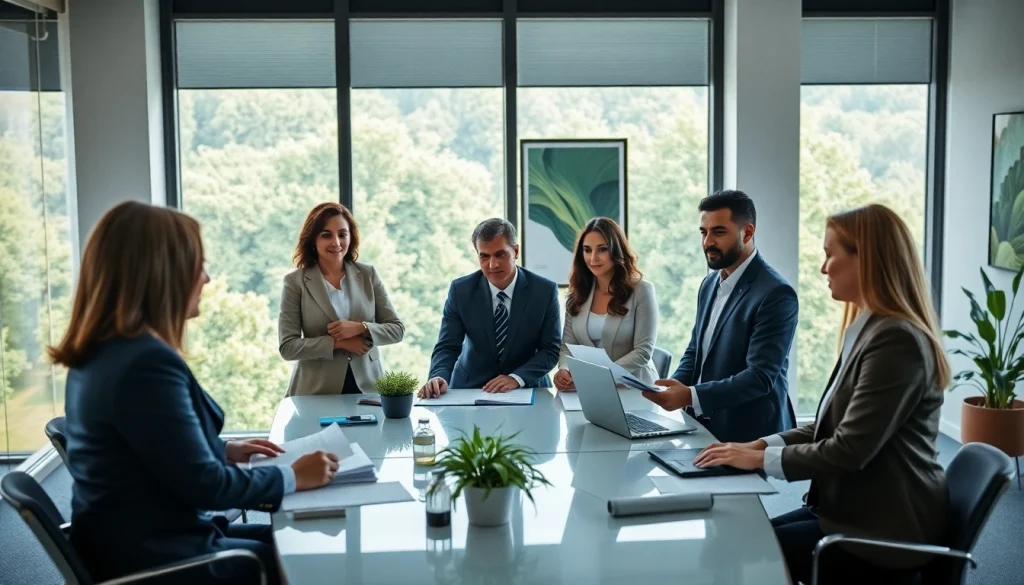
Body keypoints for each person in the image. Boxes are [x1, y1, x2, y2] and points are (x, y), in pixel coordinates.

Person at [52, 201, 339, 585]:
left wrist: (219, 449)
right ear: (162, 274)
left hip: (133, 542)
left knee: (288, 542)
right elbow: (207, 486)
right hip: (161, 559)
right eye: (197, 264)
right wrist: (293, 475)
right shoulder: (145, 364)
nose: (205, 278)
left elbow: (139, 448)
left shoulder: (101, 353)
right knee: (303, 554)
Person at [691, 204, 950, 584]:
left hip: (884, 529)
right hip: (846, 508)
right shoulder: (867, 328)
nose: (823, 267)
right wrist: (757, 446)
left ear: (868, 259)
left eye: (831, 254)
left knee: (738, 550)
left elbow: (848, 449)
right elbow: (827, 427)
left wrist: (761, 461)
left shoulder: (896, 341)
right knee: (734, 540)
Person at [643, 190, 798, 442]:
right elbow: (696, 352)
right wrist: (672, 386)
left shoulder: (776, 293)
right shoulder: (709, 284)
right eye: (703, 232)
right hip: (704, 427)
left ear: (747, 232)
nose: (707, 242)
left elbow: (759, 377)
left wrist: (690, 395)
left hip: (751, 436)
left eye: (719, 232)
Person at [418, 218, 561, 397]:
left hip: (527, 388)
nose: (492, 265)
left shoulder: (544, 291)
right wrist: (438, 376)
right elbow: (448, 346)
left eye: (500, 254)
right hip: (470, 389)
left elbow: (551, 349)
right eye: (484, 256)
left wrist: (516, 378)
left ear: (515, 251)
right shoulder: (461, 290)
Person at [279, 202, 405, 395]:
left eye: (342, 234)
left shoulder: (368, 274)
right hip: (316, 390)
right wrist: (338, 343)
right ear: (313, 239)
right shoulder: (295, 282)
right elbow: (288, 347)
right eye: (326, 235)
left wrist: (361, 328)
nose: (336, 243)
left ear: (350, 237)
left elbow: (397, 330)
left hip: (369, 388)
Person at [553, 217, 659, 390]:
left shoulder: (642, 290)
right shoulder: (577, 293)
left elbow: (643, 352)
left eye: (602, 249)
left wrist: (601, 377)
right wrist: (564, 370)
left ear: (616, 251)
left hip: (635, 388)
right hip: (591, 390)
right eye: (587, 250)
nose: (593, 258)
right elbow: (567, 347)